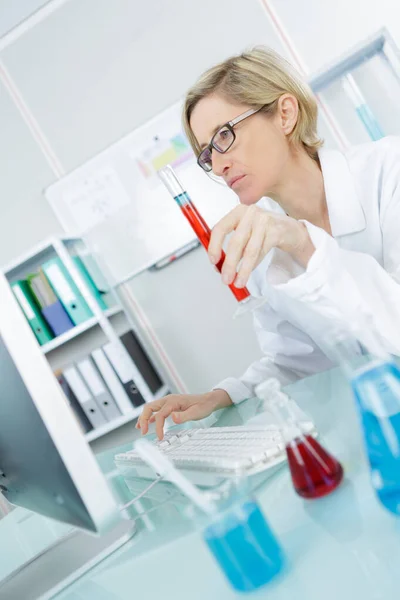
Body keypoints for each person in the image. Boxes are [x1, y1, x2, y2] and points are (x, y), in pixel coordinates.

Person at [137, 46, 400, 440]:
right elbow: (300, 361)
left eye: (225, 136)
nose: (219, 164)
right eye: (207, 154)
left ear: (285, 114)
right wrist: (222, 396)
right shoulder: (262, 245)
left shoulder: (388, 171)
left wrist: (304, 244)